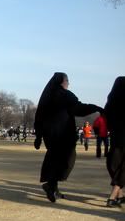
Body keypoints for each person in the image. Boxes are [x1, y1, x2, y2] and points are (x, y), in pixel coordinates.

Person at [34, 73, 102, 203]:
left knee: (54, 159)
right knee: (67, 159)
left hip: (50, 134)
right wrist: (97, 108)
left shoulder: (47, 96)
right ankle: (50, 185)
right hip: (63, 133)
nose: (68, 83)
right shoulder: (65, 95)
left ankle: (53, 188)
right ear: (62, 81)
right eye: (67, 81)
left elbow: (39, 116)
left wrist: (39, 136)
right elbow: (79, 109)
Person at [104, 77, 125, 208]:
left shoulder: (111, 103)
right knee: (122, 167)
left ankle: (120, 195)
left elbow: (106, 117)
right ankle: (113, 196)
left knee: (114, 165)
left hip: (116, 138)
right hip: (120, 137)